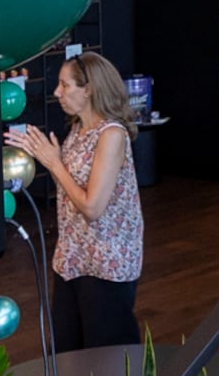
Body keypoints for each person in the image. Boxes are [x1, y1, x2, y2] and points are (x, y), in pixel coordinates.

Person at [8, 51, 144, 350]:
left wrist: (53, 163)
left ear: (90, 89)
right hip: (72, 258)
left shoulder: (112, 135)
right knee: (68, 353)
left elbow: (93, 207)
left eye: (65, 85)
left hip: (107, 263)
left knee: (106, 357)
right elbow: (71, 188)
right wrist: (48, 158)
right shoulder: (78, 131)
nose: (57, 92)